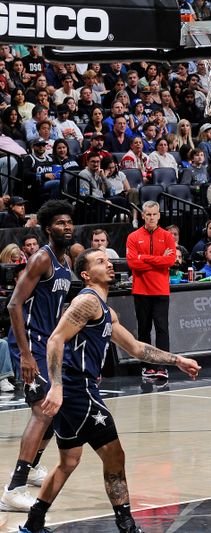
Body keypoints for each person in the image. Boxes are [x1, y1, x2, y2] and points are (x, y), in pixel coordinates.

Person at [18, 248, 200, 533]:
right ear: (86, 274)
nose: (110, 265)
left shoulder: (106, 310)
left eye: (108, 260)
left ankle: (33, 523)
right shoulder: (87, 302)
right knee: (115, 456)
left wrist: (177, 360)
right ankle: (126, 526)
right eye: (100, 262)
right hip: (78, 388)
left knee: (69, 461)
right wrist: (56, 387)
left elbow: (137, 348)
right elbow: (55, 340)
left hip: (77, 390)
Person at [1, 201, 74, 513]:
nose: (67, 227)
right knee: (43, 412)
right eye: (60, 223)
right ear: (48, 228)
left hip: (52, 346)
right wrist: (26, 356)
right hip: (33, 346)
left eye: (69, 222)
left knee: (54, 411)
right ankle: (12, 489)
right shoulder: (42, 258)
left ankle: (30, 469)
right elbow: (14, 305)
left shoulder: (66, 259)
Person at [125, 201, 176, 380]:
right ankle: (147, 367)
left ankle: (163, 366)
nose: (151, 217)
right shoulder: (133, 237)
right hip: (141, 290)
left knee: (162, 329)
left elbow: (169, 262)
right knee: (144, 330)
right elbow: (132, 263)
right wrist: (157, 260)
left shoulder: (168, 236)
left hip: (161, 290)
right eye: (148, 214)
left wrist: (144, 258)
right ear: (143, 216)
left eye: (154, 214)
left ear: (159, 215)